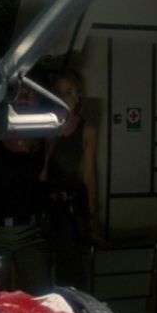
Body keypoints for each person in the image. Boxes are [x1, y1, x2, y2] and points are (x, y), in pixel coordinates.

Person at [0, 64, 53, 295]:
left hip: (32, 231)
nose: (24, 96)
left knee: (40, 299)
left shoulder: (47, 131)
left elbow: (45, 178)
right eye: (18, 90)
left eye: (31, 91)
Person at [43, 67, 106, 291]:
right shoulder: (43, 125)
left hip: (71, 209)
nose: (64, 98)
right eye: (59, 93)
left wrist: (92, 216)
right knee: (42, 274)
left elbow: (89, 175)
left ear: (78, 97)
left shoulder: (86, 129)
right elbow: (40, 172)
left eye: (69, 92)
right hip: (44, 208)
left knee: (72, 276)